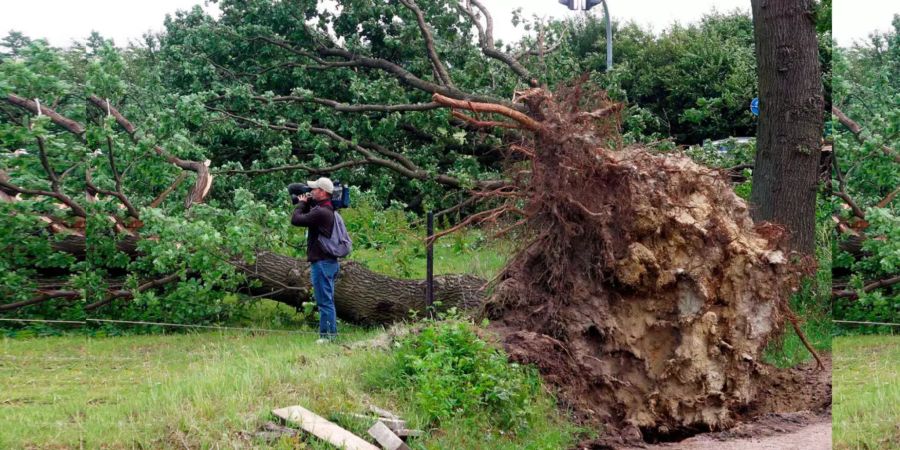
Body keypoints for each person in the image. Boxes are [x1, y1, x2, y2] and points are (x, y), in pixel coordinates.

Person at [291, 177, 340, 343]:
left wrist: (301, 203)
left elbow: (296, 219)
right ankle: (329, 335)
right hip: (328, 262)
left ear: (323, 192)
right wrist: (307, 203)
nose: (311, 192)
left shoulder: (321, 212)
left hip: (322, 263)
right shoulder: (327, 209)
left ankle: (327, 337)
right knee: (327, 300)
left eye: (314, 189)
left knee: (324, 301)